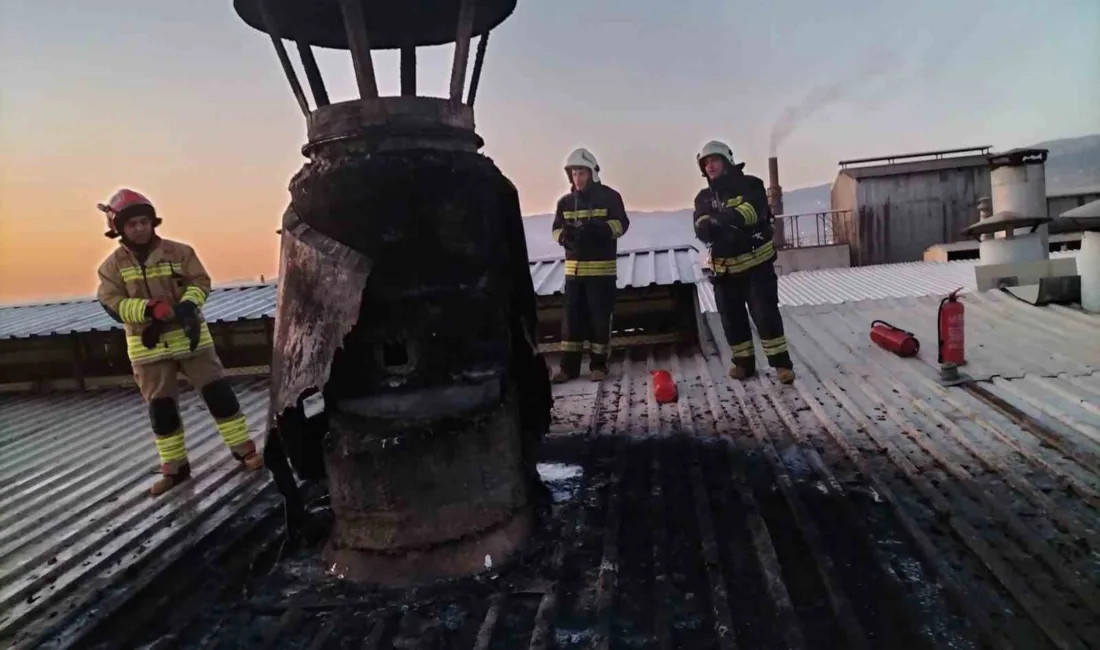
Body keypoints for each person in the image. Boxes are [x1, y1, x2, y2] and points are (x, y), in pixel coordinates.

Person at [95, 189, 264, 495]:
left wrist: (186, 306)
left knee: (219, 396)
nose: (140, 228)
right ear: (119, 229)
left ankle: (246, 452)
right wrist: (149, 309)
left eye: (144, 221)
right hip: (148, 350)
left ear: (153, 222)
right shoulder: (110, 267)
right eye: (132, 224)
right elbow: (112, 303)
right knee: (162, 410)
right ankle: (174, 470)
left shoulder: (180, 252)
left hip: (191, 340)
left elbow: (201, 282)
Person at [691, 141, 796, 384]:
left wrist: (718, 221)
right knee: (731, 320)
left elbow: (752, 213)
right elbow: (700, 227)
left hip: (756, 267)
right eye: (706, 163)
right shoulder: (703, 197)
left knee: (765, 315)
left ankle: (781, 365)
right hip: (724, 272)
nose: (710, 166)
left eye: (714, 160)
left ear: (727, 161)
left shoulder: (751, 185)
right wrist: (721, 224)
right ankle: (743, 364)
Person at [550, 148, 630, 383]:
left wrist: (599, 230)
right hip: (574, 275)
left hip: (601, 273)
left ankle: (599, 366)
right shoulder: (565, 202)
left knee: (599, 321)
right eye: (574, 173)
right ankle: (568, 368)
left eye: (582, 173)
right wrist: (564, 237)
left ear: (592, 174)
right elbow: (555, 229)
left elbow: (622, 224)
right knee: (571, 322)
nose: (578, 178)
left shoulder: (610, 197)